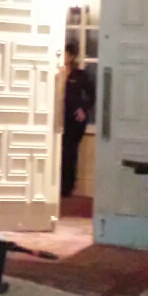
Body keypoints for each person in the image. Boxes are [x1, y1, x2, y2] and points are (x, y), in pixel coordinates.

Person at [60, 42, 95, 199]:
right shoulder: (56, 73)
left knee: (70, 152)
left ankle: (67, 186)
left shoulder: (80, 75)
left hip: (74, 120)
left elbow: (92, 94)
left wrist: (83, 109)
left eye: (66, 54)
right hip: (58, 117)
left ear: (72, 56)